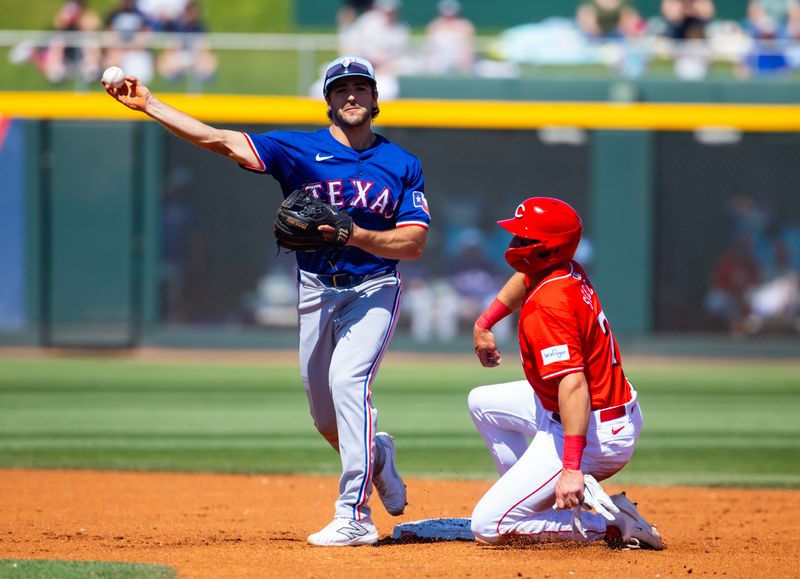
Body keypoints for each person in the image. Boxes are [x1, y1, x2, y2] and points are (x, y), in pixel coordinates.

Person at [102, 55, 430, 546]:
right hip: (316, 290)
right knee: (326, 419)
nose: (352, 96)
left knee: (347, 383)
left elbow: (413, 244)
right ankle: (378, 455)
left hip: (374, 288)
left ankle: (354, 516)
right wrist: (149, 103)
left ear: (376, 98)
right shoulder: (298, 149)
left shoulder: (402, 163)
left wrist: (354, 233)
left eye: (361, 88)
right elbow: (218, 139)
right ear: (329, 101)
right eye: (342, 89)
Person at [467, 197, 663, 549]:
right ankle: (528, 497)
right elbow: (524, 278)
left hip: (593, 430)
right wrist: (485, 323)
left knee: (487, 525)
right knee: (482, 401)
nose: (514, 243)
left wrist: (572, 469)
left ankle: (612, 522)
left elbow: (573, 385)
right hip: (591, 412)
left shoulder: (549, 305)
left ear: (547, 249)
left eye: (524, 239)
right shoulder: (562, 268)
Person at [156, 1, 218, 84]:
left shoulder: (201, 27)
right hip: (178, 55)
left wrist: (200, 54)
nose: (190, 13)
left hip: (196, 55)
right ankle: (171, 84)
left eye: (192, 11)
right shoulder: (175, 25)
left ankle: (203, 85)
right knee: (166, 61)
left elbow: (205, 46)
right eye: (188, 10)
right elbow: (170, 44)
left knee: (209, 61)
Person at [423, 0, 476, 74]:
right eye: (445, 15)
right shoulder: (433, 26)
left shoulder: (465, 25)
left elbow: (468, 45)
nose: (449, 17)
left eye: (452, 15)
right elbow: (430, 45)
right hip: (439, 56)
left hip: (459, 56)